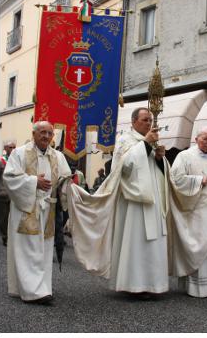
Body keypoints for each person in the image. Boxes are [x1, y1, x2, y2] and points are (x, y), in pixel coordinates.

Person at [67, 107, 170, 295]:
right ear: (133, 122)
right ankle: (133, 285)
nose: (149, 123)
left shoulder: (151, 142)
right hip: (134, 202)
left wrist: (159, 158)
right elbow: (124, 167)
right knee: (136, 242)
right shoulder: (125, 140)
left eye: (150, 120)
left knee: (154, 243)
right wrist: (146, 145)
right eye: (145, 120)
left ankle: (154, 284)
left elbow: (158, 173)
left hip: (153, 200)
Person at [3, 121, 71, 304]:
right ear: (33, 134)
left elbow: (65, 178)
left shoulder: (58, 156)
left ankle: (42, 287)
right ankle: (33, 292)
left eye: (49, 133)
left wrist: (69, 183)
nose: (46, 136)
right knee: (29, 249)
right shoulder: (19, 153)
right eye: (42, 132)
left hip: (48, 209)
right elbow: (9, 178)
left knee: (44, 250)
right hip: (26, 209)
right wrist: (34, 182)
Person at [169, 127, 207, 297]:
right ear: (196, 139)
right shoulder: (184, 156)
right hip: (194, 209)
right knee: (196, 245)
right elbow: (176, 179)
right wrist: (200, 180)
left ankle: (206, 287)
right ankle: (192, 286)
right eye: (205, 138)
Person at [0, 141, 16, 246]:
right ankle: (5, 236)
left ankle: (11, 236)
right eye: (10, 147)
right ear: (6, 148)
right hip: (3, 193)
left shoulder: (16, 160)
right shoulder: (1, 161)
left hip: (14, 195)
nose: (13, 149)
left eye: (14, 147)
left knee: (13, 217)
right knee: (4, 217)